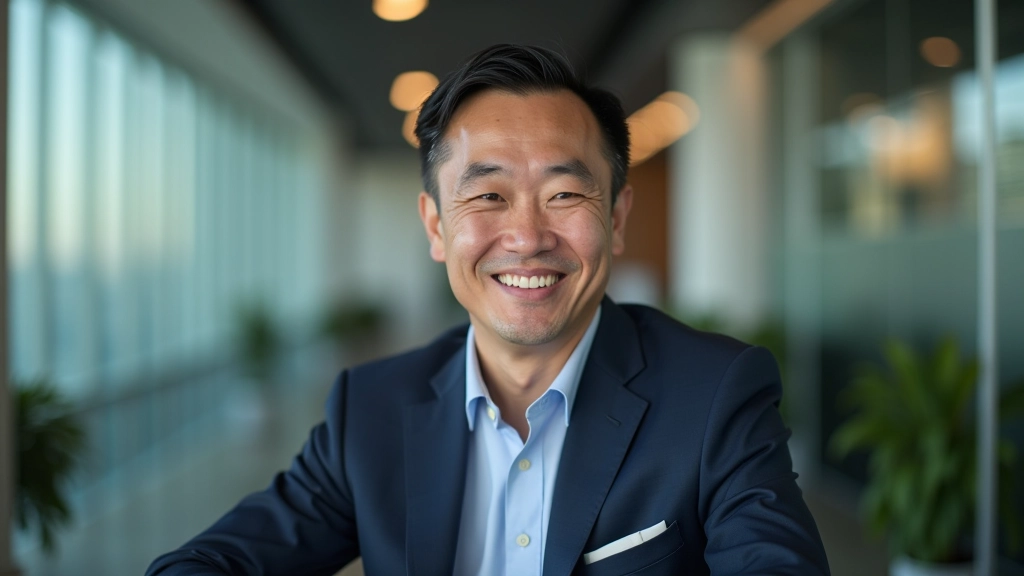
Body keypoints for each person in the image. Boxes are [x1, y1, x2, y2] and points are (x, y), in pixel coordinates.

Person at [147, 44, 830, 576]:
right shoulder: (373, 411)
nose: (528, 237)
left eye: (565, 195)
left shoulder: (714, 397)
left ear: (616, 217)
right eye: (487, 197)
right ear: (437, 227)